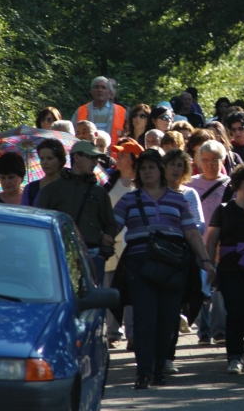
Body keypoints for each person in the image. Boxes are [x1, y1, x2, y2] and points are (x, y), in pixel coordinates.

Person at [112, 149, 215, 389]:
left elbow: (191, 232)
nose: (147, 171)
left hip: (172, 263)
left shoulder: (178, 199)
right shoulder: (129, 199)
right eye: (143, 167)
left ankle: (159, 369)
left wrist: (206, 261)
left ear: (160, 170)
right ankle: (144, 372)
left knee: (167, 319)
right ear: (138, 172)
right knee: (145, 319)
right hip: (139, 265)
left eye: (152, 167)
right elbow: (112, 227)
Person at [205, 163, 244, 374]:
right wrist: (210, 266)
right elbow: (211, 241)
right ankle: (235, 357)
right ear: (237, 184)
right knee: (236, 311)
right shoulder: (224, 210)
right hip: (230, 269)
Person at [36, 141, 117, 287]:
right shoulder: (53, 189)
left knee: (92, 306)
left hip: (92, 255)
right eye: (91, 157)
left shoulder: (99, 192)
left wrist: (103, 254)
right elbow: (40, 223)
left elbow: (110, 224)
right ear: (77, 157)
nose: (95, 162)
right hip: (59, 253)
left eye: (96, 158)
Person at [162, 148, 206, 374]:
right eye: (172, 164)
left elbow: (199, 224)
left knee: (174, 308)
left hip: (182, 255)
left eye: (180, 165)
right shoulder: (153, 192)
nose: (176, 169)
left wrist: (181, 230)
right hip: (157, 256)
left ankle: (168, 356)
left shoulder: (189, 194)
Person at [188, 140, 231, 345]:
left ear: (222, 160)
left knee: (219, 291)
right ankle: (203, 331)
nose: (210, 164)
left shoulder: (230, 185)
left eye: (215, 160)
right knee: (200, 288)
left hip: (221, 246)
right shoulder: (190, 185)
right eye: (205, 160)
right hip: (198, 245)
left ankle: (219, 330)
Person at [103, 138, 143, 350]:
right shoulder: (108, 181)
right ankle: (112, 333)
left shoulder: (143, 184)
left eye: (123, 155)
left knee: (133, 292)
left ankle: (134, 334)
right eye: (117, 154)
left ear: (134, 159)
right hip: (112, 246)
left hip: (134, 247)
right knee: (111, 289)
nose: (117, 158)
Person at [71, 76, 127, 147]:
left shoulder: (121, 111)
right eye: (96, 87)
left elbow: (127, 135)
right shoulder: (81, 110)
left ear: (109, 92)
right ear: (91, 91)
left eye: (103, 87)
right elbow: (71, 133)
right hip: (86, 153)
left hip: (112, 154)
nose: (100, 90)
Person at [21, 139, 66, 206]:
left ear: (60, 161)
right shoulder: (31, 188)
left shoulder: (68, 187)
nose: (45, 162)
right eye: (42, 158)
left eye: (49, 158)